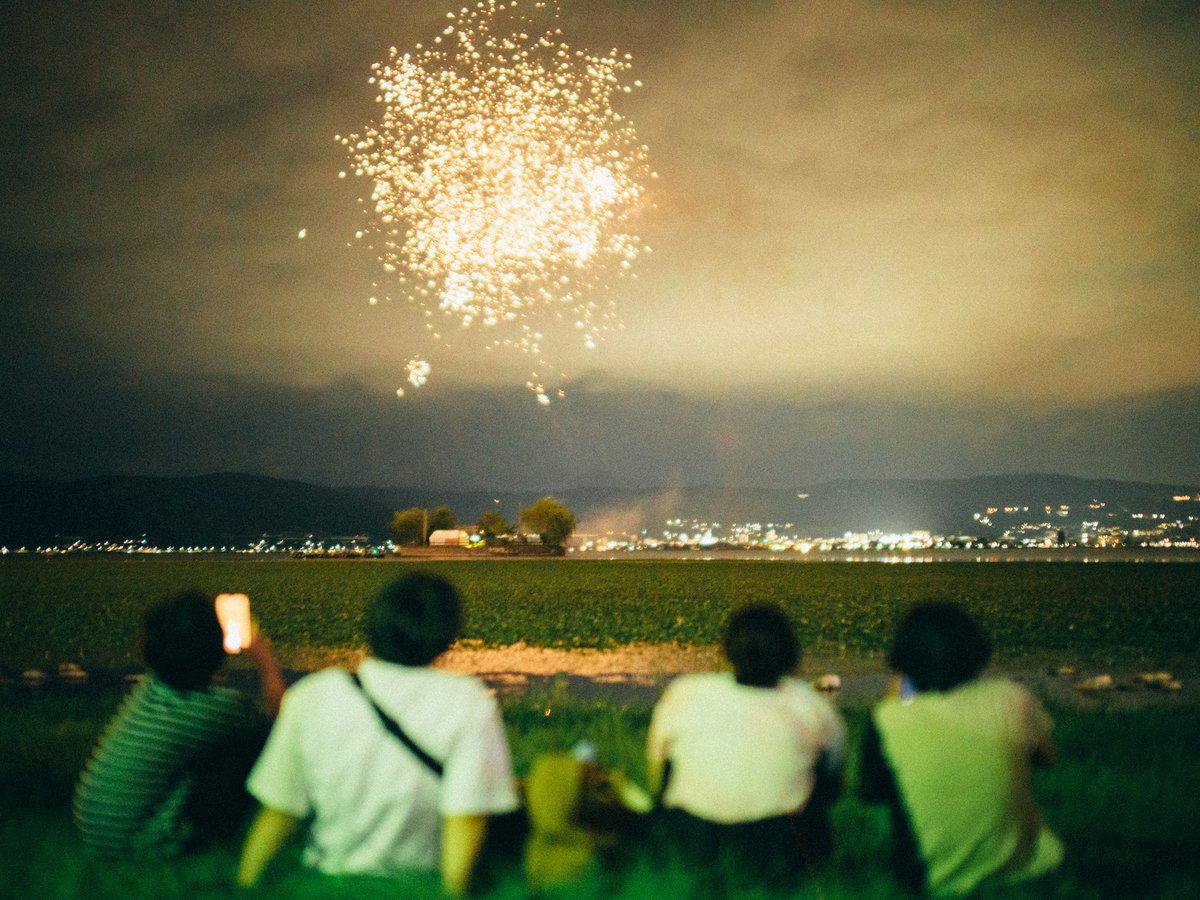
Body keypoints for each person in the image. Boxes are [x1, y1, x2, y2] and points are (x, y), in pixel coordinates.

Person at [237, 573, 518, 896]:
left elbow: (279, 811)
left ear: (373, 624)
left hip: (325, 883)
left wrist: (245, 886)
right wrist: (451, 892)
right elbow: (466, 817)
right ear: (446, 636)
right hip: (415, 884)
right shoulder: (467, 701)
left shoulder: (314, 695)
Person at [860, 602, 1064, 896]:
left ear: (903, 659)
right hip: (1028, 869)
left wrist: (897, 691)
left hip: (927, 878)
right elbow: (1046, 758)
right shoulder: (1012, 698)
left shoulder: (887, 718)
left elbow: (872, 792)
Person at [646, 603, 846, 890]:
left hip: (692, 838)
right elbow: (831, 786)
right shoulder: (814, 707)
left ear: (726, 649)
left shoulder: (685, 693)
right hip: (779, 845)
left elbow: (658, 774)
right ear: (790, 653)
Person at [73, 589, 285, 856]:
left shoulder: (148, 690)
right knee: (250, 746)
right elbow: (282, 728)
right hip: (138, 843)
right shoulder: (218, 709)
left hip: (96, 831)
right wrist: (263, 657)